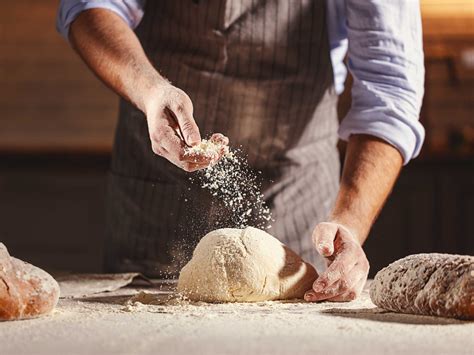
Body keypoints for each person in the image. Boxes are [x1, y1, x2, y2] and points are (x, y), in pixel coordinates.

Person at [56, 0, 424, 302]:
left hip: (296, 195)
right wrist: (151, 91)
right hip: (156, 190)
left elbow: (389, 90)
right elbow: (90, 6)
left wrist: (349, 224)